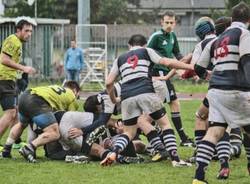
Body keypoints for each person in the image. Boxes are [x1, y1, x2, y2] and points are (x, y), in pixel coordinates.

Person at [100, 34, 193, 167]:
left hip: (127, 97)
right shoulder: (146, 51)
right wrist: (190, 67)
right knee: (165, 125)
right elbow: (167, 62)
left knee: (129, 133)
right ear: (144, 45)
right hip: (146, 91)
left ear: (129, 45)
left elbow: (108, 82)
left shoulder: (119, 59)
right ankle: (176, 160)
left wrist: (114, 99)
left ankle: (114, 153)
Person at [192, 2, 250, 184]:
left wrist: (213, 77)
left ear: (232, 19)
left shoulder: (216, 39)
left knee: (214, 132)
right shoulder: (244, 34)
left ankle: (199, 177)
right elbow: (247, 60)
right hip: (237, 89)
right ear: (249, 20)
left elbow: (198, 68)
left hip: (215, 91)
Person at [1, 81, 80, 163]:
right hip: (37, 101)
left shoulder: (55, 87)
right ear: (75, 90)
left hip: (25, 96)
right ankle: (29, 148)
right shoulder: (72, 96)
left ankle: (6, 150)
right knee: (54, 133)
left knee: (21, 124)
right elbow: (69, 118)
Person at [147, 10, 193, 146]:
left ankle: (161, 138)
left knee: (162, 106)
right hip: (157, 74)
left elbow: (177, 54)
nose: (169, 25)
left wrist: (185, 66)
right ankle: (177, 138)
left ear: (175, 23)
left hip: (165, 75)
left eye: (171, 22)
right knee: (167, 105)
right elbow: (146, 53)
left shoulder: (172, 36)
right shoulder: (156, 36)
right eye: (166, 22)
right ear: (162, 22)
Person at [0, 16, 36, 152]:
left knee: (14, 112)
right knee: (10, 113)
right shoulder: (12, 40)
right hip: (3, 79)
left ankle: (15, 141)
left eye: (31, 31)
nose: (29, 34)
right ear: (18, 30)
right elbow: (4, 60)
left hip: (9, 80)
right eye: (26, 31)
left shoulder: (18, 42)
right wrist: (23, 68)